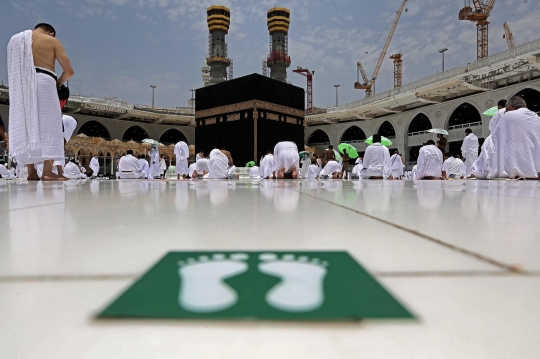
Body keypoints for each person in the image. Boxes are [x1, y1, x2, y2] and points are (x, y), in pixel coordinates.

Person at [7, 23, 74, 181]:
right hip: (45, 81)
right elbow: (69, 71)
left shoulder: (16, 40)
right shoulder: (51, 41)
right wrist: (58, 82)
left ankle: (31, 172)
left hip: (22, 85)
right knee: (50, 125)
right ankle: (47, 172)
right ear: (51, 33)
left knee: (26, 125)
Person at [489, 96, 540, 179]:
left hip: (521, 174)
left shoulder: (509, 115)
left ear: (510, 108)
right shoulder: (536, 117)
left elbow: (494, 140)